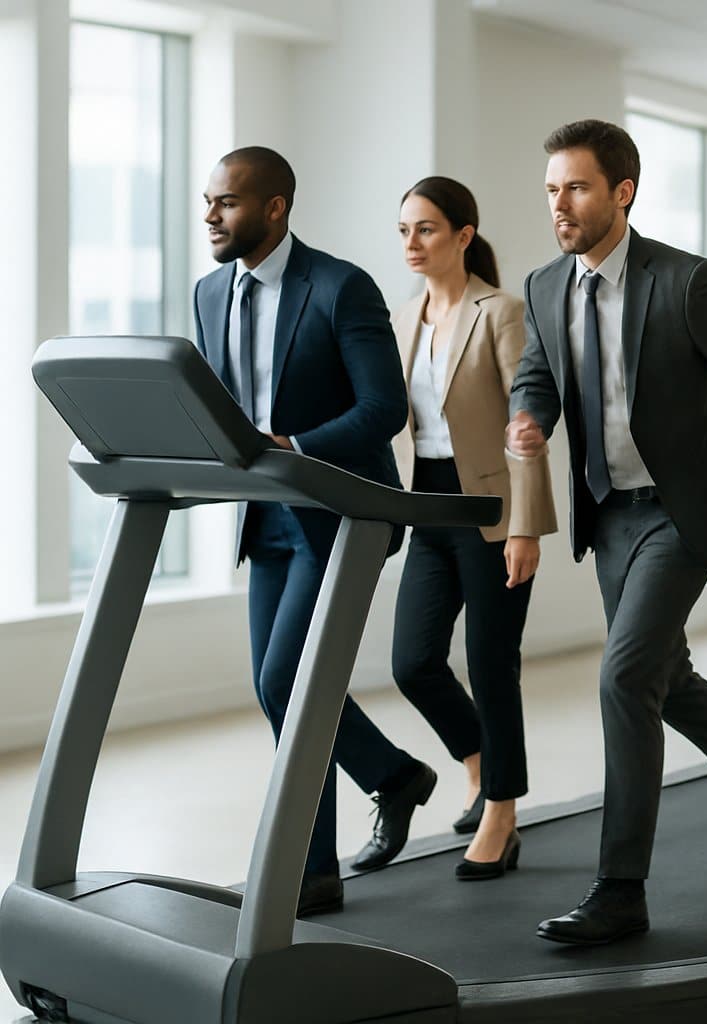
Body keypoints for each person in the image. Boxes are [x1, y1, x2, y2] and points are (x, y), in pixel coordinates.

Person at [505, 119, 707, 946]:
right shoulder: (543, 286)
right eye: (552, 191)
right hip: (610, 517)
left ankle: (620, 889)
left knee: (624, 676)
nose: (560, 205)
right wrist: (529, 416)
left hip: (684, 511)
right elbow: (539, 372)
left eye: (576, 188)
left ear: (621, 192)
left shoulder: (684, 281)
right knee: (663, 676)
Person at [193, 147, 435, 916]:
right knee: (287, 689)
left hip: (337, 512)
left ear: (274, 208)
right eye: (209, 202)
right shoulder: (207, 294)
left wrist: (293, 446)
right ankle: (380, 794)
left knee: (283, 682)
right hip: (263, 515)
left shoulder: (339, 287)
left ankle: (317, 861)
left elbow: (382, 411)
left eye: (226, 203)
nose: (210, 216)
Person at [389, 176, 560, 879]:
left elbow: (528, 424)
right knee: (414, 661)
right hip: (427, 505)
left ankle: (502, 810)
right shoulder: (404, 319)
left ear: (463, 235)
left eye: (426, 229)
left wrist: (526, 527)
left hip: (490, 512)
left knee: (492, 664)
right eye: (404, 230)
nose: (411, 243)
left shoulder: (501, 311)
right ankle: (479, 759)